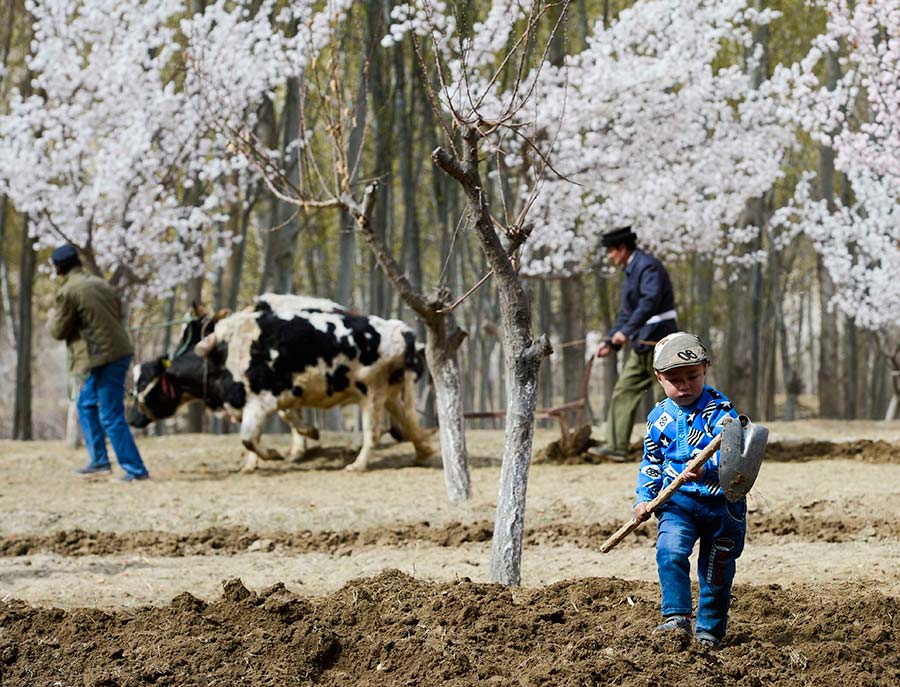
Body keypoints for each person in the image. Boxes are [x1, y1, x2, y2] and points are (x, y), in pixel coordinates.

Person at [632, 332, 744, 648]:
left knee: (716, 571)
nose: (684, 386)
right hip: (677, 502)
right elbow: (651, 461)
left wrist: (708, 466)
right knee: (670, 551)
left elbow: (736, 455)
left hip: (721, 506)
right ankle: (676, 617)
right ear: (658, 378)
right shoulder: (659, 417)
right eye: (674, 379)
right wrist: (645, 497)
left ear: (705, 369)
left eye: (692, 376)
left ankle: (709, 630)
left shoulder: (721, 411)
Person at [48, 244, 150, 482]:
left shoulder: (68, 291)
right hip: (115, 352)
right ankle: (100, 462)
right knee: (86, 404)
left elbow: (59, 330)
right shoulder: (101, 284)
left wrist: (52, 320)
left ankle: (135, 469)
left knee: (110, 414)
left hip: (104, 357)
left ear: (58, 269)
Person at [595, 226, 677, 458]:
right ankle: (615, 446)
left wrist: (627, 331)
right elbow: (626, 312)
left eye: (611, 251)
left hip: (659, 342)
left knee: (668, 395)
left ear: (622, 248)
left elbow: (649, 303)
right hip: (641, 344)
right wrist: (610, 341)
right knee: (624, 391)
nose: (610, 256)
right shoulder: (632, 270)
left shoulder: (648, 267)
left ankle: (675, 446)